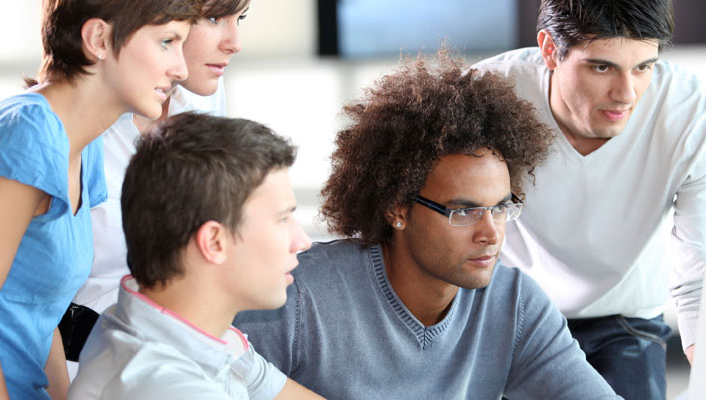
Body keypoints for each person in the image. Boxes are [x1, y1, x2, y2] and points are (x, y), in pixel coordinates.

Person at [233, 53, 620, 400]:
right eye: (463, 212)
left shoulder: (514, 304)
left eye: (501, 207)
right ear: (397, 209)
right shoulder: (295, 295)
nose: (491, 233)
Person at [0, 0, 201, 398]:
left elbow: (44, 320)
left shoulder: (80, 144)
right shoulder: (27, 133)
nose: (181, 68)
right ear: (99, 39)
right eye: (167, 42)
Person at [470, 0, 706, 397]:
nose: (626, 94)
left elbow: (701, 276)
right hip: (512, 313)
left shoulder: (691, 114)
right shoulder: (486, 97)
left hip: (626, 319)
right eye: (602, 67)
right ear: (549, 50)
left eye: (644, 66)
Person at [68, 113, 322, 399]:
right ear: (214, 242)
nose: (303, 241)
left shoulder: (186, 326)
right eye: (283, 219)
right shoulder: (163, 388)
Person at [60, 0, 250, 367]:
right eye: (213, 18)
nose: (235, 42)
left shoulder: (200, 101)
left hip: (175, 357)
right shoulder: (68, 134)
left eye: (240, 19)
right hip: (84, 364)